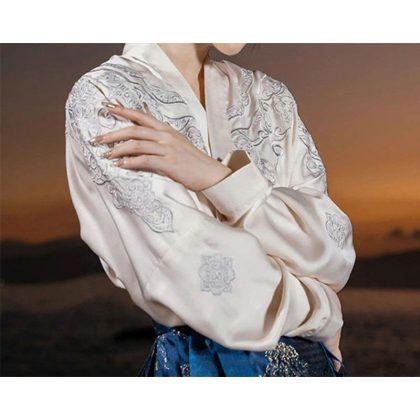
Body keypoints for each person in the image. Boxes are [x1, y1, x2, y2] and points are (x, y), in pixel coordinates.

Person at [65, 43, 356, 376]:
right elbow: (193, 272)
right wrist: (323, 312)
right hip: (205, 366)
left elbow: (334, 252)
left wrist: (218, 177)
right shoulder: (106, 95)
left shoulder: (268, 96)